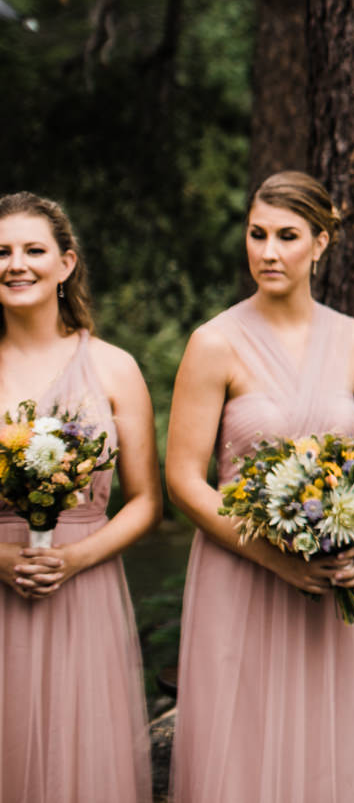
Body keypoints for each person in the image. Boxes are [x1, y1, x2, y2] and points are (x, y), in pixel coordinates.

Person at [165, 171, 354, 803]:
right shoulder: (213, 343)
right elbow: (183, 479)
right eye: (256, 234)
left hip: (328, 585)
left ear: (320, 244)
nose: (267, 252)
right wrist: (272, 557)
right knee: (239, 754)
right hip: (239, 575)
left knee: (329, 757)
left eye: (287, 236)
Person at [0, 192, 158, 803]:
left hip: (84, 588)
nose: (17, 264)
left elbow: (145, 501)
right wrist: (5, 559)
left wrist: (73, 559)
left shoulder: (115, 369)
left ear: (65, 264)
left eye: (33, 250)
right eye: (3, 251)